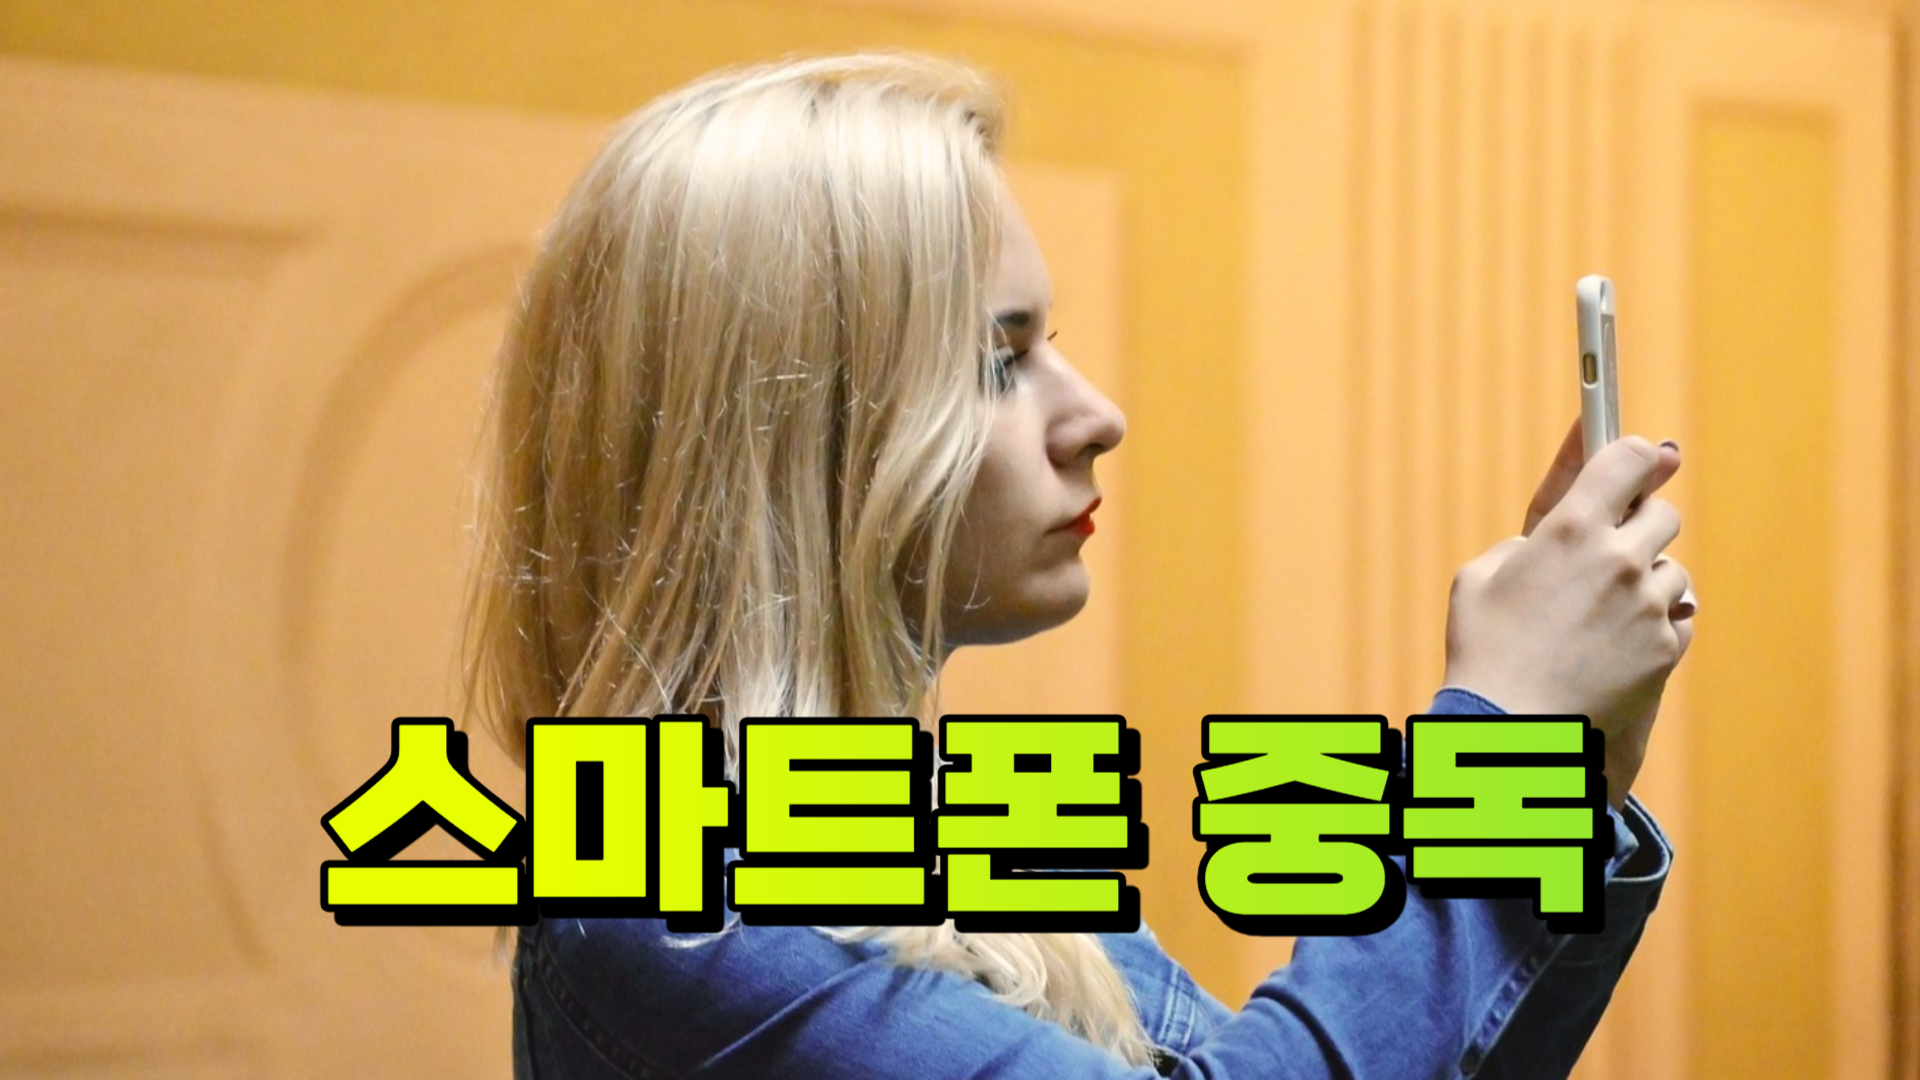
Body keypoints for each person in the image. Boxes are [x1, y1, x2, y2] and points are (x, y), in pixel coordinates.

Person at [462, 51, 1693, 1079]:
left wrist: (1565, 773)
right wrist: (1506, 736)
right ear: (787, 437)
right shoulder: (674, 907)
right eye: (998, 362)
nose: (1096, 415)